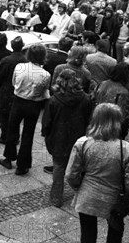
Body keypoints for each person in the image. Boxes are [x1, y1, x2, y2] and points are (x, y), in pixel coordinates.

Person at [66, 104, 129, 243]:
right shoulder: (125, 148)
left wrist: (77, 187)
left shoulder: (83, 143)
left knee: (87, 233)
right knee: (115, 233)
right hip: (114, 199)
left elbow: (71, 174)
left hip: (87, 196)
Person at [42, 69, 94, 207]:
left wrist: (47, 136)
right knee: (80, 168)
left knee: (58, 168)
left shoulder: (53, 101)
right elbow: (90, 120)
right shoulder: (86, 99)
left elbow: (47, 123)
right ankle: (82, 196)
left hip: (59, 140)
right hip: (79, 139)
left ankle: (56, 198)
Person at [0, 44, 51, 175]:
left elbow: (13, 83)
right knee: (28, 133)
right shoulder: (45, 74)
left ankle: (9, 158)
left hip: (18, 100)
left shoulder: (20, 67)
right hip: (34, 104)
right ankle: (22, 165)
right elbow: (44, 91)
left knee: (12, 129)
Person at [95, 62, 129, 134]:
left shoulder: (102, 84)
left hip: (97, 122)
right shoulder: (123, 92)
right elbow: (123, 116)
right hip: (112, 128)